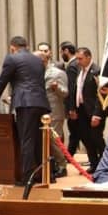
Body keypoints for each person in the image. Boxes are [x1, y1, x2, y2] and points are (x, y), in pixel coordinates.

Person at [0, 36, 51, 183]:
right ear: (27, 45)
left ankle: (27, 178)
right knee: (40, 141)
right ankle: (45, 176)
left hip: (25, 103)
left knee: (27, 140)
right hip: (41, 102)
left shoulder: (12, 58)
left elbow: (1, 82)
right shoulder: (38, 60)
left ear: (12, 47)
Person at [65, 47, 105, 173]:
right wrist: (72, 108)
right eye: (77, 59)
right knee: (86, 139)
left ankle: (105, 165)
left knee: (97, 139)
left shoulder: (97, 71)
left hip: (94, 111)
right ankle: (94, 164)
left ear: (88, 57)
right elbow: (74, 90)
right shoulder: (79, 70)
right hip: (81, 110)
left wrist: (97, 114)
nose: (78, 61)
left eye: (80, 59)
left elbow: (102, 94)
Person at [36, 49, 69, 177]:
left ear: (43, 60)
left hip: (54, 112)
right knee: (44, 141)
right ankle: (51, 166)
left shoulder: (58, 73)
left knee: (54, 141)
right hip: (40, 111)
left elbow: (65, 93)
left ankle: (62, 166)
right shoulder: (36, 72)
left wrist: (57, 88)